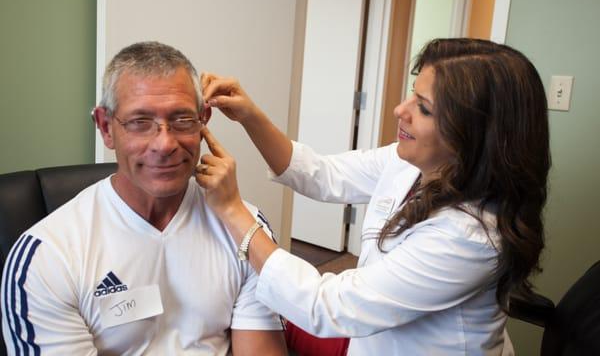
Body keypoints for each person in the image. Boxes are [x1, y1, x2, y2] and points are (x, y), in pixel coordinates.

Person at [196, 38, 550, 355]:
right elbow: (321, 174)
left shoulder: (470, 237)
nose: (401, 110)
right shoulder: (414, 163)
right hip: (369, 333)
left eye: (423, 108)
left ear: (473, 134)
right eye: (413, 93)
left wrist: (232, 210)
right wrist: (249, 116)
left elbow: (324, 307)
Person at [0, 41, 287, 355]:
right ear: (106, 127)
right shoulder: (48, 257)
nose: (164, 144)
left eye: (182, 120)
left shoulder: (245, 232)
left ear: (203, 119)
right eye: (140, 122)